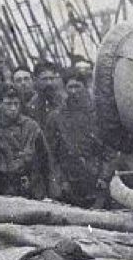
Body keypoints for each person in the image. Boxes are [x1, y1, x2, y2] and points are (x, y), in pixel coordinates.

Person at [45, 67, 113, 208]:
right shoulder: (56, 117)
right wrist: (60, 180)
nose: (74, 91)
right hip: (70, 183)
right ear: (65, 89)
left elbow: (109, 150)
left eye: (77, 86)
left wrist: (104, 177)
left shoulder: (98, 115)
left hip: (96, 181)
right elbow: (51, 154)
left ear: (86, 86)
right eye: (70, 87)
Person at [0, 85, 48, 198]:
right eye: (8, 104)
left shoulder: (31, 126)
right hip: (6, 190)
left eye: (16, 104)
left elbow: (45, 158)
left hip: (34, 188)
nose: (13, 108)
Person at [26, 60, 64, 128]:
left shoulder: (64, 101)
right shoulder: (31, 107)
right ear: (35, 80)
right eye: (44, 79)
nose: (49, 83)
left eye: (52, 79)